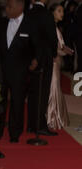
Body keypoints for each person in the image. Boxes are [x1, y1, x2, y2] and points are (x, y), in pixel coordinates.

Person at [0, 0, 39, 143]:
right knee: (0, 103)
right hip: (2, 71)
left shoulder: (30, 24)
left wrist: (35, 60)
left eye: (10, 7)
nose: (7, 9)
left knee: (17, 102)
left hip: (20, 72)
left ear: (20, 7)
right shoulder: (1, 23)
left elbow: (37, 45)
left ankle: (15, 133)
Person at [26, 0, 58, 136]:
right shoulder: (46, 14)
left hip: (30, 56)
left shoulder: (28, 13)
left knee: (32, 92)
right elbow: (52, 38)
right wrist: (54, 54)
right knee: (42, 92)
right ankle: (39, 126)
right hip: (44, 58)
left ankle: (31, 124)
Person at [47, 3, 71, 129]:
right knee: (54, 88)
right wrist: (64, 51)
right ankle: (52, 118)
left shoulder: (55, 27)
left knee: (55, 88)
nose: (62, 13)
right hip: (53, 63)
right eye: (59, 11)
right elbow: (55, 48)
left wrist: (65, 50)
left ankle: (54, 117)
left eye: (62, 11)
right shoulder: (52, 28)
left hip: (56, 63)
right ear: (53, 13)